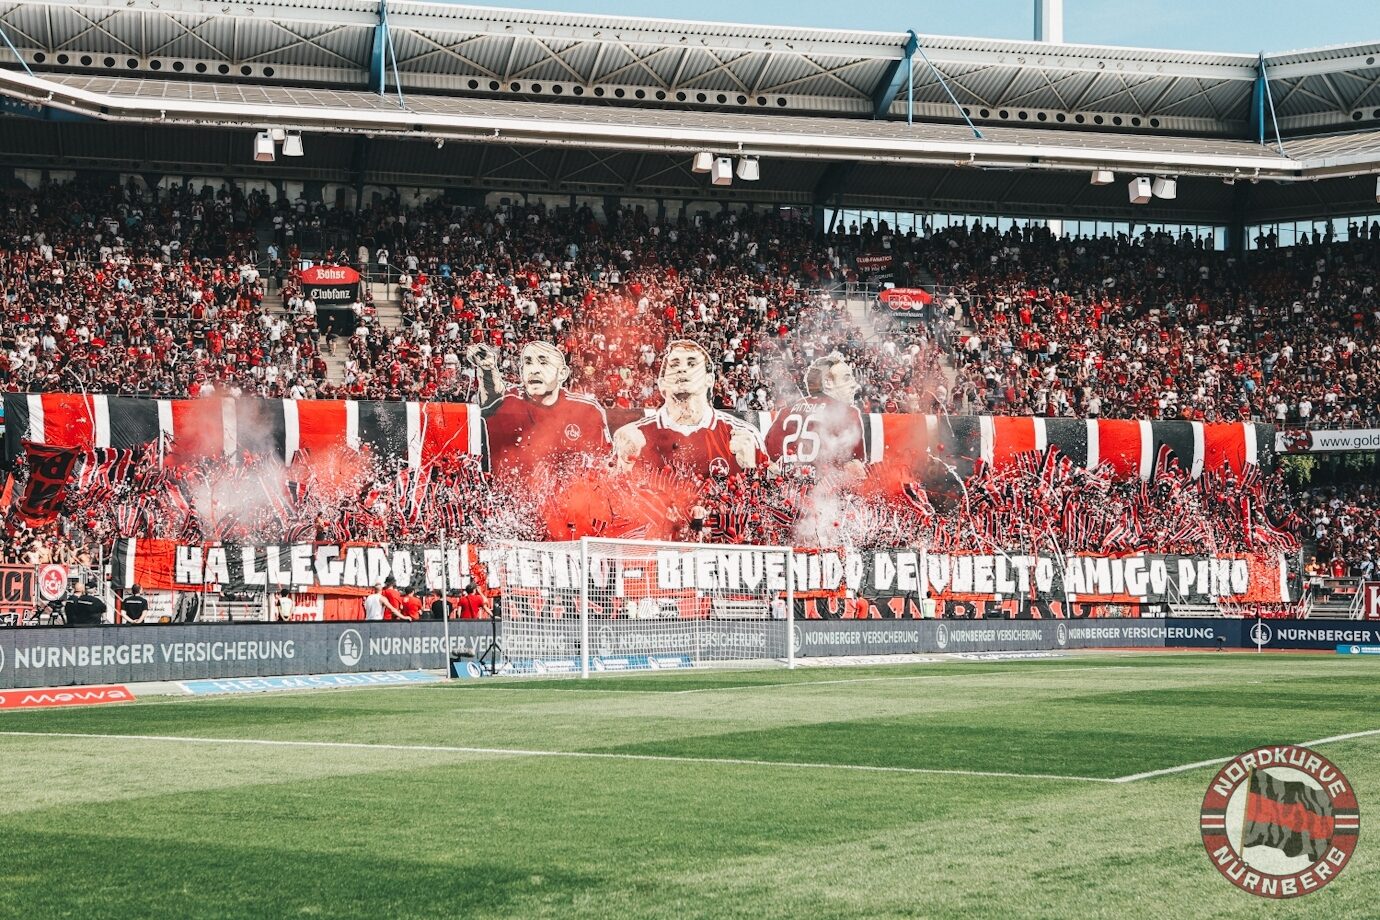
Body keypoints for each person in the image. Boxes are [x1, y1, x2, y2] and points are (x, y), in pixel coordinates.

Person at [613, 340, 766, 479]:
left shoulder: (743, 435)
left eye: (692, 364)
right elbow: (603, 498)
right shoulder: (635, 436)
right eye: (674, 365)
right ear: (662, 383)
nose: (682, 370)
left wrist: (750, 468)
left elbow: (777, 501)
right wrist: (625, 465)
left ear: (710, 380)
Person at [469, 341, 611, 477]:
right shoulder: (509, 402)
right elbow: (491, 400)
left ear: (562, 373)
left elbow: (605, 463)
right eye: (528, 362)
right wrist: (487, 370)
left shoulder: (587, 411)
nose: (534, 370)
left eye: (543, 362)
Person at [764, 352, 867, 475]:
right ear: (828, 382)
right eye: (846, 378)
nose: (853, 385)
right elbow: (855, 464)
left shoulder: (786, 411)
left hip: (787, 485)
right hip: (823, 488)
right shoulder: (847, 413)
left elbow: (770, 453)